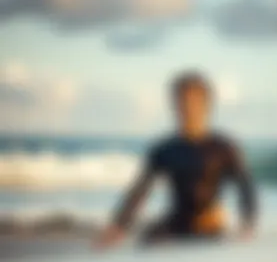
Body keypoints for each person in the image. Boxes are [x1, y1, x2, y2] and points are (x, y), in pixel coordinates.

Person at [95, 71, 257, 249]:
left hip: (211, 224)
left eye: (193, 101)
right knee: (145, 242)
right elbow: (140, 191)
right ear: (173, 104)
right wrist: (118, 226)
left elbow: (245, 186)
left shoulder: (225, 148)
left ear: (207, 104)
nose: (187, 108)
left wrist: (247, 222)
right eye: (181, 101)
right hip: (177, 222)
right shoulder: (165, 150)